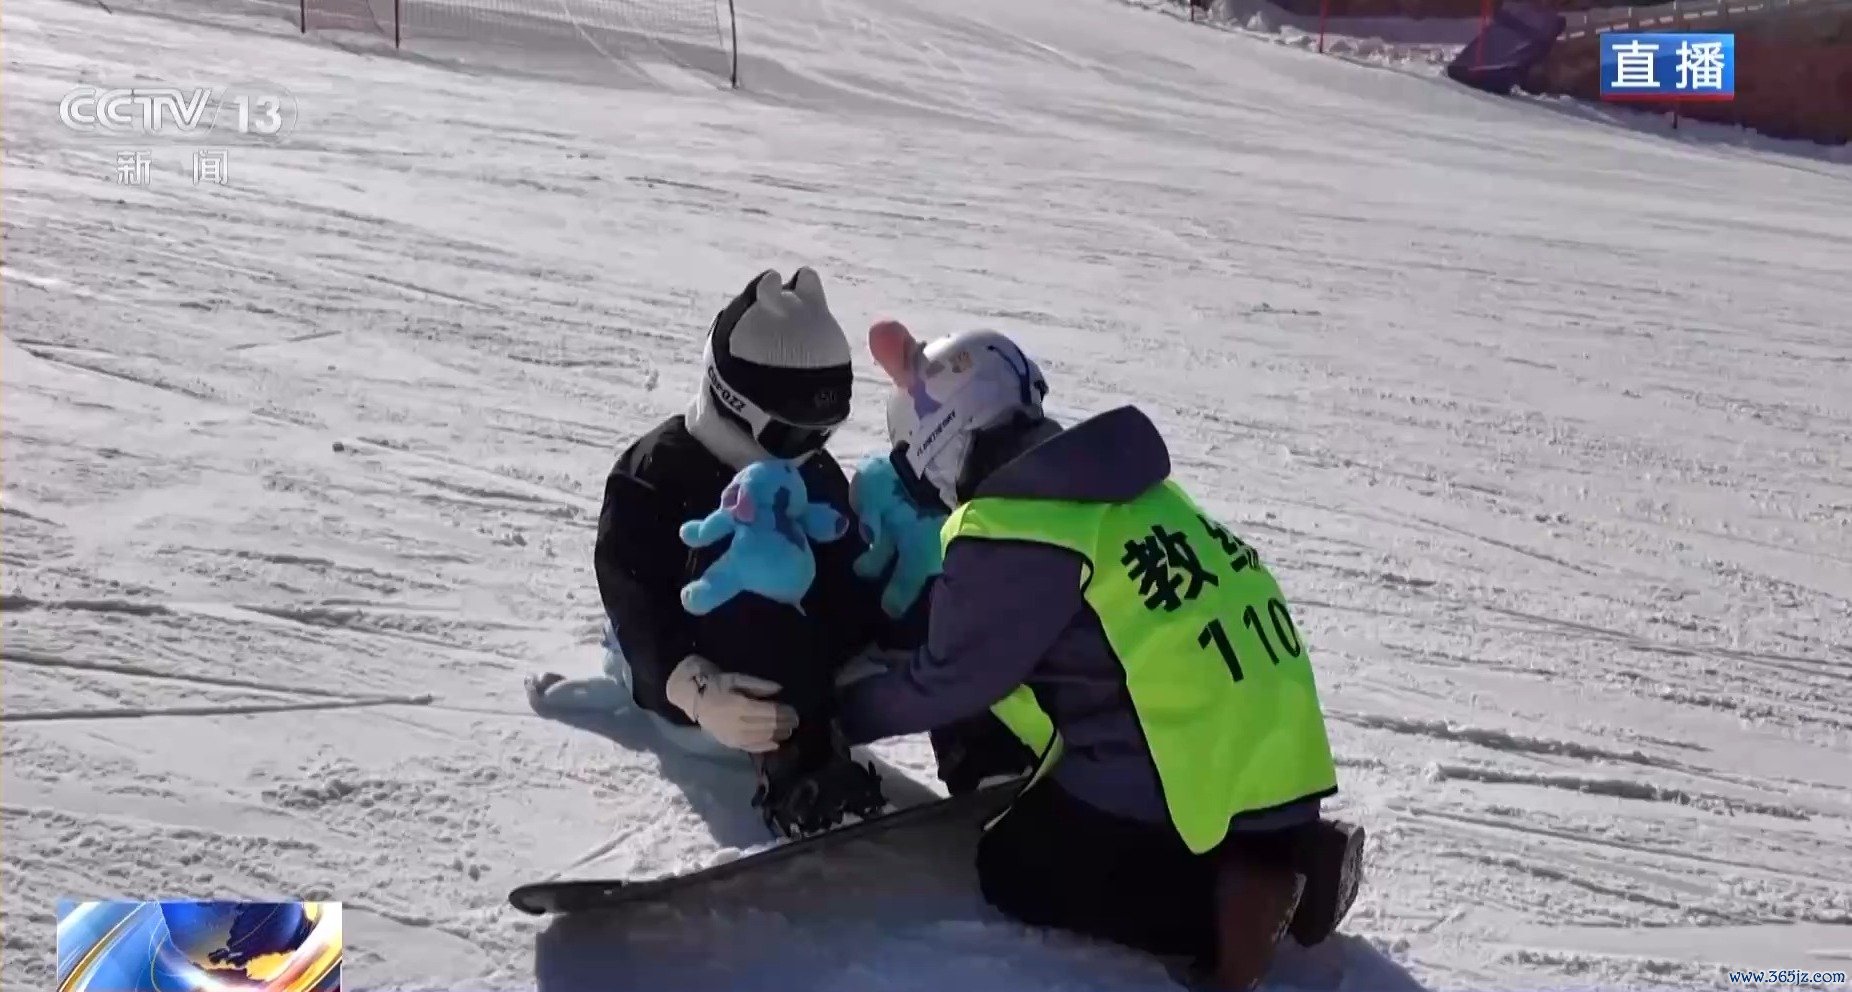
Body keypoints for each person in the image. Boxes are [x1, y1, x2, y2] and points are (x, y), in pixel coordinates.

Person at [832, 319, 1365, 991]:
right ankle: (1282, 845)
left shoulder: (1008, 524)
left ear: (940, 445)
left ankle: (1234, 904)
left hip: (1180, 782)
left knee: (1012, 869)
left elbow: (950, 680)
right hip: (1269, 763)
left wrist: (836, 714)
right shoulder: (1133, 490)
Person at [528, 268, 1030, 839]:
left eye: (823, 434)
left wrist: (900, 606)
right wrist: (693, 687)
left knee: (923, 589)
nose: (809, 452)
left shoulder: (803, 467)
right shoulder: (653, 474)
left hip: (806, 671)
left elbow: (845, 566)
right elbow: (633, 599)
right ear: (732, 402)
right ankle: (805, 778)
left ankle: (988, 755)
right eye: (793, 435)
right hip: (711, 693)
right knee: (750, 554)